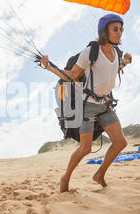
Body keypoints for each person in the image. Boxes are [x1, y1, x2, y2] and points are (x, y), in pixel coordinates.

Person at [40, 14, 132, 193]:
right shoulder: (91, 52)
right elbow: (71, 76)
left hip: (106, 104)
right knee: (85, 148)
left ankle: (99, 174)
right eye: (115, 29)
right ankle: (65, 177)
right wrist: (49, 67)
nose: (119, 32)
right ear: (104, 31)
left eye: (121, 29)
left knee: (120, 143)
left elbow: (113, 70)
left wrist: (125, 62)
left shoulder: (116, 53)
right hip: (88, 107)